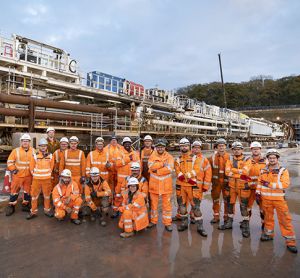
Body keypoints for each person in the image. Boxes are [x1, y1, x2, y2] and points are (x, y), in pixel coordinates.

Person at [257, 149, 297, 254]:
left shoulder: (283, 170)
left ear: (277, 158)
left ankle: (290, 242)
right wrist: (257, 193)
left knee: (285, 220)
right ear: (267, 159)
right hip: (266, 200)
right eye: (270, 158)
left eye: (274, 158)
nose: (272, 160)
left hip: (279, 200)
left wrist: (269, 184)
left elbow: (285, 184)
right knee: (268, 219)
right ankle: (269, 234)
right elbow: (259, 182)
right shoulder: (263, 170)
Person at [175, 139, 211, 236]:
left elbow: (196, 171)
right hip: (181, 186)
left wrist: (184, 177)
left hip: (193, 187)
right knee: (182, 206)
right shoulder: (178, 159)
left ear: (189, 146)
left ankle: (200, 227)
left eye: (186, 145)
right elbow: (177, 172)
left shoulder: (196, 158)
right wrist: (184, 177)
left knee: (196, 208)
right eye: (182, 146)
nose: (184, 147)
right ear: (179, 147)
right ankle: (184, 223)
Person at [221, 141, 252, 238]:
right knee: (230, 205)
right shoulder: (230, 159)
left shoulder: (247, 159)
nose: (237, 151)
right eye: (235, 149)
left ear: (242, 150)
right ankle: (229, 223)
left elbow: (245, 173)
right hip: (231, 187)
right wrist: (239, 172)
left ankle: (246, 226)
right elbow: (227, 172)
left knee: (244, 207)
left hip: (243, 187)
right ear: (232, 150)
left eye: (238, 149)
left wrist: (233, 171)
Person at [148, 139, 174, 232]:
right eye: (158, 147)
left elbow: (170, 169)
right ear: (156, 147)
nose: (160, 148)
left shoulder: (170, 157)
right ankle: (153, 221)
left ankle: (167, 223)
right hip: (154, 186)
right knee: (154, 206)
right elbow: (151, 167)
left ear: (164, 147)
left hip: (166, 186)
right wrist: (163, 164)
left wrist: (157, 171)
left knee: (167, 206)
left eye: (162, 147)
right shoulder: (152, 156)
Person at [5, 133, 34, 216]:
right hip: (17, 176)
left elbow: (36, 162)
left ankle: (25, 205)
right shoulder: (16, 151)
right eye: (24, 141)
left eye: (27, 141)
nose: (25, 142)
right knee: (14, 191)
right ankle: (11, 206)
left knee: (27, 191)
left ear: (29, 142)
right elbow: (10, 162)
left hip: (28, 176)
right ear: (21, 142)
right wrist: (13, 169)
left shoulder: (33, 151)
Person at [26, 138, 54, 220]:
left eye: (44, 146)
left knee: (47, 196)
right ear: (39, 147)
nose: (43, 147)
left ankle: (47, 210)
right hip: (36, 180)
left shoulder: (50, 155)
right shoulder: (35, 155)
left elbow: (51, 167)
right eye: (41, 146)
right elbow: (31, 167)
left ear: (46, 146)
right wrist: (34, 174)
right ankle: (33, 212)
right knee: (34, 196)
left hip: (47, 179)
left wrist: (48, 174)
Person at [113, 137, 140, 218]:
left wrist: (138, 178)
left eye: (129, 143)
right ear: (123, 144)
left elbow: (139, 166)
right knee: (118, 196)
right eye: (125, 143)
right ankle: (116, 211)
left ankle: (128, 211)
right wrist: (129, 158)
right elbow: (117, 163)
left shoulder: (135, 153)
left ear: (131, 144)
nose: (127, 145)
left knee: (130, 197)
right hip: (121, 181)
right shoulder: (118, 152)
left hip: (132, 181)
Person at [208, 138, 230, 224]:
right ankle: (216, 216)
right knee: (215, 200)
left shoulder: (229, 157)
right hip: (216, 183)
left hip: (226, 184)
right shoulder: (212, 158)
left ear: (225, 146)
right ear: (216, 147)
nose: (221, 147)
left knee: (227, 201)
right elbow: (206, 170)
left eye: (223, 146)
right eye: (219, 146)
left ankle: (226, 217)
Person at [247, 141, 267, 228]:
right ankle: (246, 222)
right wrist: (247, 182)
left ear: (260, 150)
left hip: (261, 189)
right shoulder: (247, 160)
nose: (255, 151)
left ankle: (264, 223)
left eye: (257, 149)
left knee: (262, 208)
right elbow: (243, 174)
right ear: (251, 150)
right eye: (254, 149)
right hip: (250, 188)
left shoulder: (266, 161)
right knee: (248, 207)